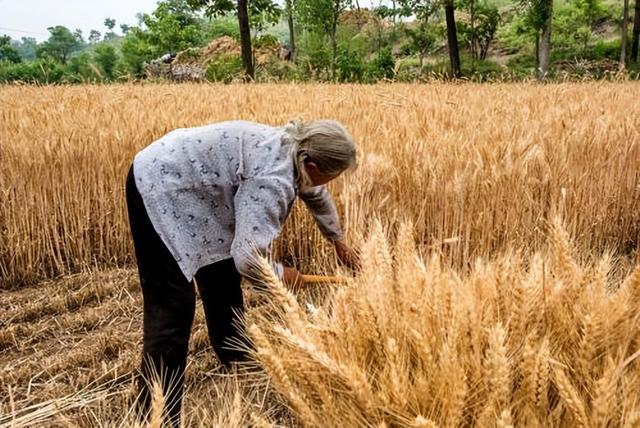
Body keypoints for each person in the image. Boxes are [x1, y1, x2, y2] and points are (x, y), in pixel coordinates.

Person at [125, 119, 359, 425]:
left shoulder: (296, 148)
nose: (329, 181)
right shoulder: (272, 179)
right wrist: (281, 276)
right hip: (160, 184)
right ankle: (156, 417)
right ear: (312, 165)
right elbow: (249, 260)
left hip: (196, 184)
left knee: (222, 276)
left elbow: (316, 193)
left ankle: (235, 355)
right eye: (332, 174)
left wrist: (338, 241)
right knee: (172, 308)